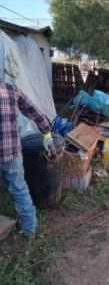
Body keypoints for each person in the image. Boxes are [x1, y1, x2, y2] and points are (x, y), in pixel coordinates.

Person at [0, 80, 54, 237]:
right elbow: (34, 111)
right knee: (20, 190)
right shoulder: (11, 89)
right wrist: (47, 133)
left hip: (11, 153)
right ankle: (30, 231)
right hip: (11, 153)